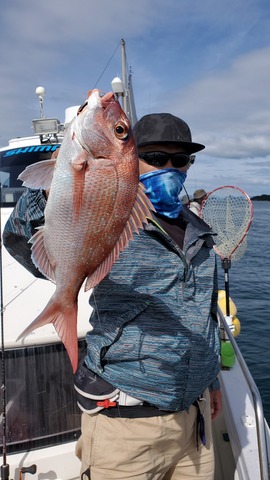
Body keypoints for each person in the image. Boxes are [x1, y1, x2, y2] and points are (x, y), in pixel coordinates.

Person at [3, 111, 221, 480]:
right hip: (126, 425)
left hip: (195, 420)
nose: (169, 167)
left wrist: (211, 381)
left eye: (180, 160)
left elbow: (203, 315)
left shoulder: (198, 229)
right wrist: (54, 183)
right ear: (132, 159)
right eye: (155, 157)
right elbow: (18, 240)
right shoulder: (117, 217)